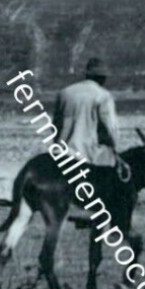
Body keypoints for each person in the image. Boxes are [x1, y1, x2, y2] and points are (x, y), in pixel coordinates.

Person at [52, 57, 128, 199]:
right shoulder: (103, 96)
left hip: (62, 154)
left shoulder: (64, 93)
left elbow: (55, 125)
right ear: (103, 78)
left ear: (86, 74)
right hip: (88, 157)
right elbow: (111, 128)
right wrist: (115, 148)